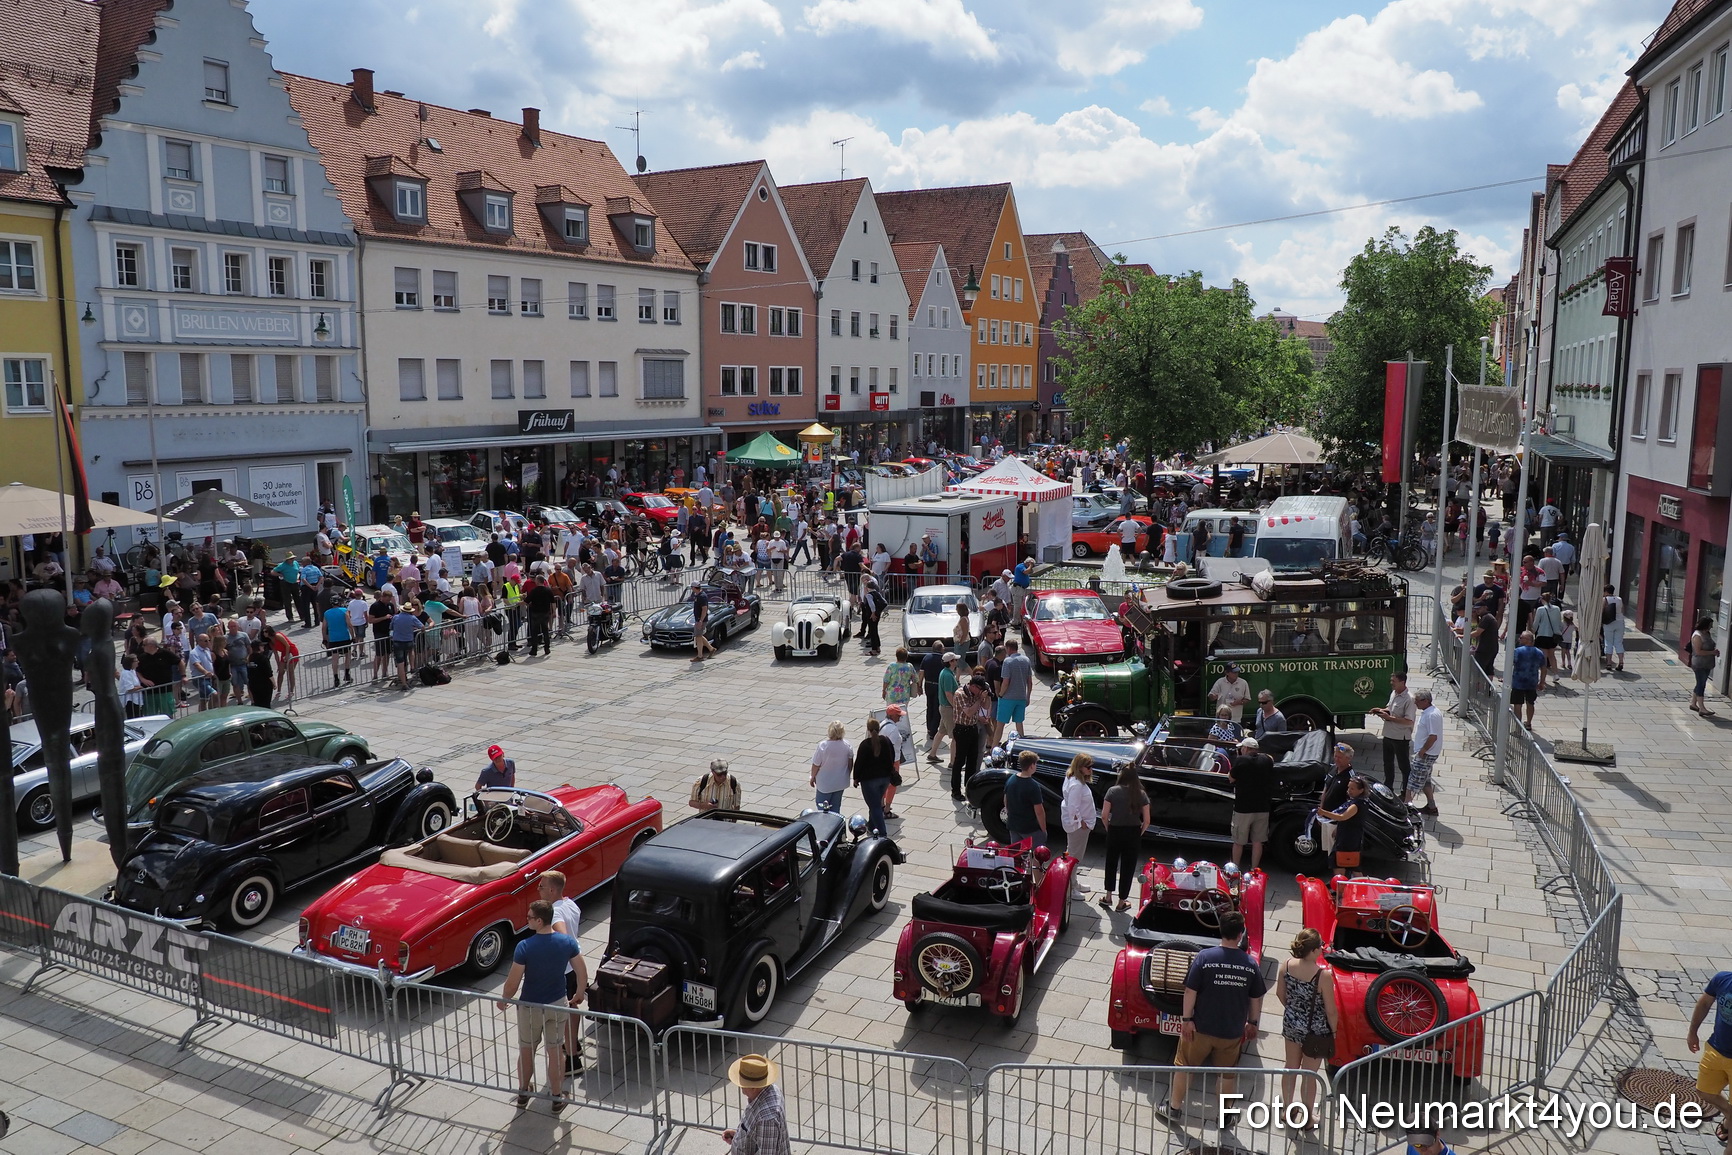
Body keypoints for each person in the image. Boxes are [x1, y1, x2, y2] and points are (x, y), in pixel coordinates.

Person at [1161, 909, 1265, 1125]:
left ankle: (1173, 1109)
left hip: (1199, 1029)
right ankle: (1225, 1117)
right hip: (1231, 1033)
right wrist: (1253, 1023)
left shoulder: (1204, 958)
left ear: (1220, 931)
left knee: (1186, 1067)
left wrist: (1186, 1020)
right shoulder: (1250, 964)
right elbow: (1256, 997)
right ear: (1241, 935)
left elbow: (1190, 991)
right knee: (1226, 1075)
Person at [496, 899, 581, 1113]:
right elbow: (581, 970)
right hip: (557, 1005)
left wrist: (504, 999)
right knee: (555, 1051)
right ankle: (556, 1097)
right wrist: (579, 993)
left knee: (527, 1049)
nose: (527, 920)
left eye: (530, 917)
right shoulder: (566, 943)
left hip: (530, 1007)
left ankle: (524, 1093)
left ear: (539, 920)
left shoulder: (525, 946)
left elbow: (513, 982)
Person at [1277, 927, 1338, 1130]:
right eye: (1320, 945)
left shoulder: (1285, 965)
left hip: (1292, 1025)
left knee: (1290, 1067)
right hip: (1316, 1032)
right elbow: (1330, 1010)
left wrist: (1294, 1011)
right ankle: (1308, 1119)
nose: (1322, 948)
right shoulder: (1323, 975)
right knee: (1310, 1075)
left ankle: (1287, 1110)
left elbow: (1280, 993)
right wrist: (1334, 1031)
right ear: (1312, 951)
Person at [537, 871, 591, 1076]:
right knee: (573, 1009)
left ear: (552, 890)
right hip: (573, 969)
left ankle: (571, 1060)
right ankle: (573, 1046)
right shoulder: (571, 904)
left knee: (564, 1015)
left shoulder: (555, 913)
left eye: (541, 886)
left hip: (564, 970)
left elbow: (564, 938)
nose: (538, 889)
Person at [1098, 762, 1149, 911]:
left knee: (1111, 863)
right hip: (1133, 832)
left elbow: (1104, 816)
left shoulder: (1112, 791)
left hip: (1115, 830)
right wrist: (1140, 832)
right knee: (1128, 867)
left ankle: (1108, 896)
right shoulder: (1141, 794)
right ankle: (1122, 901)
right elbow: (1147, 820)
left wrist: (1109, 828)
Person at [721, 1052, 790, 1155]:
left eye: (742, 1083)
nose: (740, 1086)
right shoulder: (771, 1090)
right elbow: (759, 1135)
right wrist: (738, 1137)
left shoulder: (767, 1119)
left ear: (753, 1087)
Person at [1228, 736, 1275, 870]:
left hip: (1243, 808)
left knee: (1238, 842)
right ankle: (1255, 869)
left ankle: (1235, 869)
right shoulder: (1266, 760)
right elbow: (1269, 758)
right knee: (1257, 841)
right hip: (1262, 807)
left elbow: (1231, 778)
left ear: (1246, 748)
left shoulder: (1241, 760)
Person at [1368, 671, 1415, 793]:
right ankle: (1388, 787)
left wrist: (1390, 718)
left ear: (1402, 682)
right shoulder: (1394, 693)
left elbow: (1409, 721)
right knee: (1387, 763)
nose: (1391, 683)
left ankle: (1405, 791)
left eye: (1394, 681)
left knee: (1404, 766)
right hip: (1388, 734)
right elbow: (1390, 709)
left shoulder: (1409, 699)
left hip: (1400, 737)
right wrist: (1380, 710)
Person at [1059, 753, 1097, 900]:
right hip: (1078, 827)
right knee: (1074, 857)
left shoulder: (1072, 779)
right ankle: (1071, 887)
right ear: (1080, 768)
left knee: (1073, 854)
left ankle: (1073, 882)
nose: (1091, 770)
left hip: (1078, 825)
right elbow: (1073, 808)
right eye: (1088, 767)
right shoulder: (1076, 785)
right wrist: (1081, 823)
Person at [854, 716, 899, 836]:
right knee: (875, 803)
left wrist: (855, 778)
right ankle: (871, 826)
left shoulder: (865, 745)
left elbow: (859, 763)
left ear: (868, 730)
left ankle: (882, 833)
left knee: (875, 806)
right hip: (885, 779)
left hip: (869, 781)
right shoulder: (886, 740)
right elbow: (892, 756)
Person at [949, 673, 991, 800]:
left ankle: (969, 788)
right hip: (962, 729)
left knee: (972, 761)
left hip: (973, 728)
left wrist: (986, 696)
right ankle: (955, 791)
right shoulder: (960, 694)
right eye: (979, 689)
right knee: (959, 761)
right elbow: (969, 712)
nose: (980, 692)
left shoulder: (976, 694)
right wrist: (979, 699)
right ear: (973, 686)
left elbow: (985, 707)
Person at [1318, 775, 1369, 878]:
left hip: (1348, 839)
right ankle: (1357, 887)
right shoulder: (1358, 802)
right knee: (1352, 865)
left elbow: (1342, 817)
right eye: (1348, 788)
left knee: (1343, 863)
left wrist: (1323, 812)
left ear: (1361, 790)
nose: (1349, 791)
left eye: (1352, 789)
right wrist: (1338, 829)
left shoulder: (1356, 805)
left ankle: (1340, 888)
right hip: (1350, 837)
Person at [1003, 749, 1048, 848]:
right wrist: (1043, 829)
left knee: (1016, 852)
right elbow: (1039, 811)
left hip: (1013, 825)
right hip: (1030, 827)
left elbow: (1006, 800)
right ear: (1031, 766)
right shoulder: (1033, 786)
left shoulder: (1011, 780)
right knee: (1038, 853)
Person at [1408, 689, 1443, 815]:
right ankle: (1431, 807)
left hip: (1426, 754)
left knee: (1413, 780)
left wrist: (1423, 751)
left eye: (1417, 701)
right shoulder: (1429, 712)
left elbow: (1433, 736)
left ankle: (1407, 807)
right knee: (1425, 780)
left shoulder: (1431, 715)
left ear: (1426, 701)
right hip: (1428, 753)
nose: (1415, 703)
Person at [995, 637, 1034, 744]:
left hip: (1007, 698)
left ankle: (993, 747)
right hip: (1021, 697)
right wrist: (1028, 696)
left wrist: (1001, 694)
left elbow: (1006, 682)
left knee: (1000, 725)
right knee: (1019, 723)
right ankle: (1022, 746)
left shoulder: (1008, 662)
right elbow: (1029, 682)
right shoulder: (1026, 660)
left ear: (1008, 648)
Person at [810, 721, 853, 813]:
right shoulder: (847, 745)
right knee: (836, 807)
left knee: (822, 806)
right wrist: (846, 775)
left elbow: (816, 765)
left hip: (825, 783)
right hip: (840, 782)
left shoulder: (823, 746)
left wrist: (812, 777)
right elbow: (850, 764)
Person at [1510, 630, 1544, 728]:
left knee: (1517, 704)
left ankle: (1518, 726)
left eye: (1521, 638)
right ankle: (1528, 723)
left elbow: (1511, 664)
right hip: (1532, 682)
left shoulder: (1517, 651)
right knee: (1530, 703)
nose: (1519, 639)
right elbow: (1543, 668)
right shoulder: (1539, 652)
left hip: (1518, 682)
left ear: (1528, 640)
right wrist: (1542, 681)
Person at [1689, 617, 1721, 717]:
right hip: (1699, 664)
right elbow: (1698, 651)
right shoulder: (1697, 635)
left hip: (1707, 663)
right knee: (1701, 685)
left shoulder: (1706, 633)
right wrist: (1712, 652)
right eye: (1710, 625)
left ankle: (1693, 704)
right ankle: (1702, 708)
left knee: (1700, 683)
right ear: (1705, 625)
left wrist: (1714, 651)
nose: (1711, 627)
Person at [321, 594, 353, 685]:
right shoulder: (344, 611)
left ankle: (336, 678)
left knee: (335, 659)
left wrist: (325, 639)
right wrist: (353, 636)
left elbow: (324, 627)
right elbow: (349, 625)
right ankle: (347, 674)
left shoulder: (327, 613)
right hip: (344, 637)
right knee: (347, 656)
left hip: (333, 639)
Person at [1601, 584, 1625, 672]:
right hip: (1620, 622)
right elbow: (1622, 610)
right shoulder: (1619, 599)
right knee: (1619, 642)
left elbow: (1602, 611)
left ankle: (1609, 663)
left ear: (1606, 591)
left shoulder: (1605, 599)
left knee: (1608, 642)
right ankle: (1621, 662)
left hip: (1609, 623)